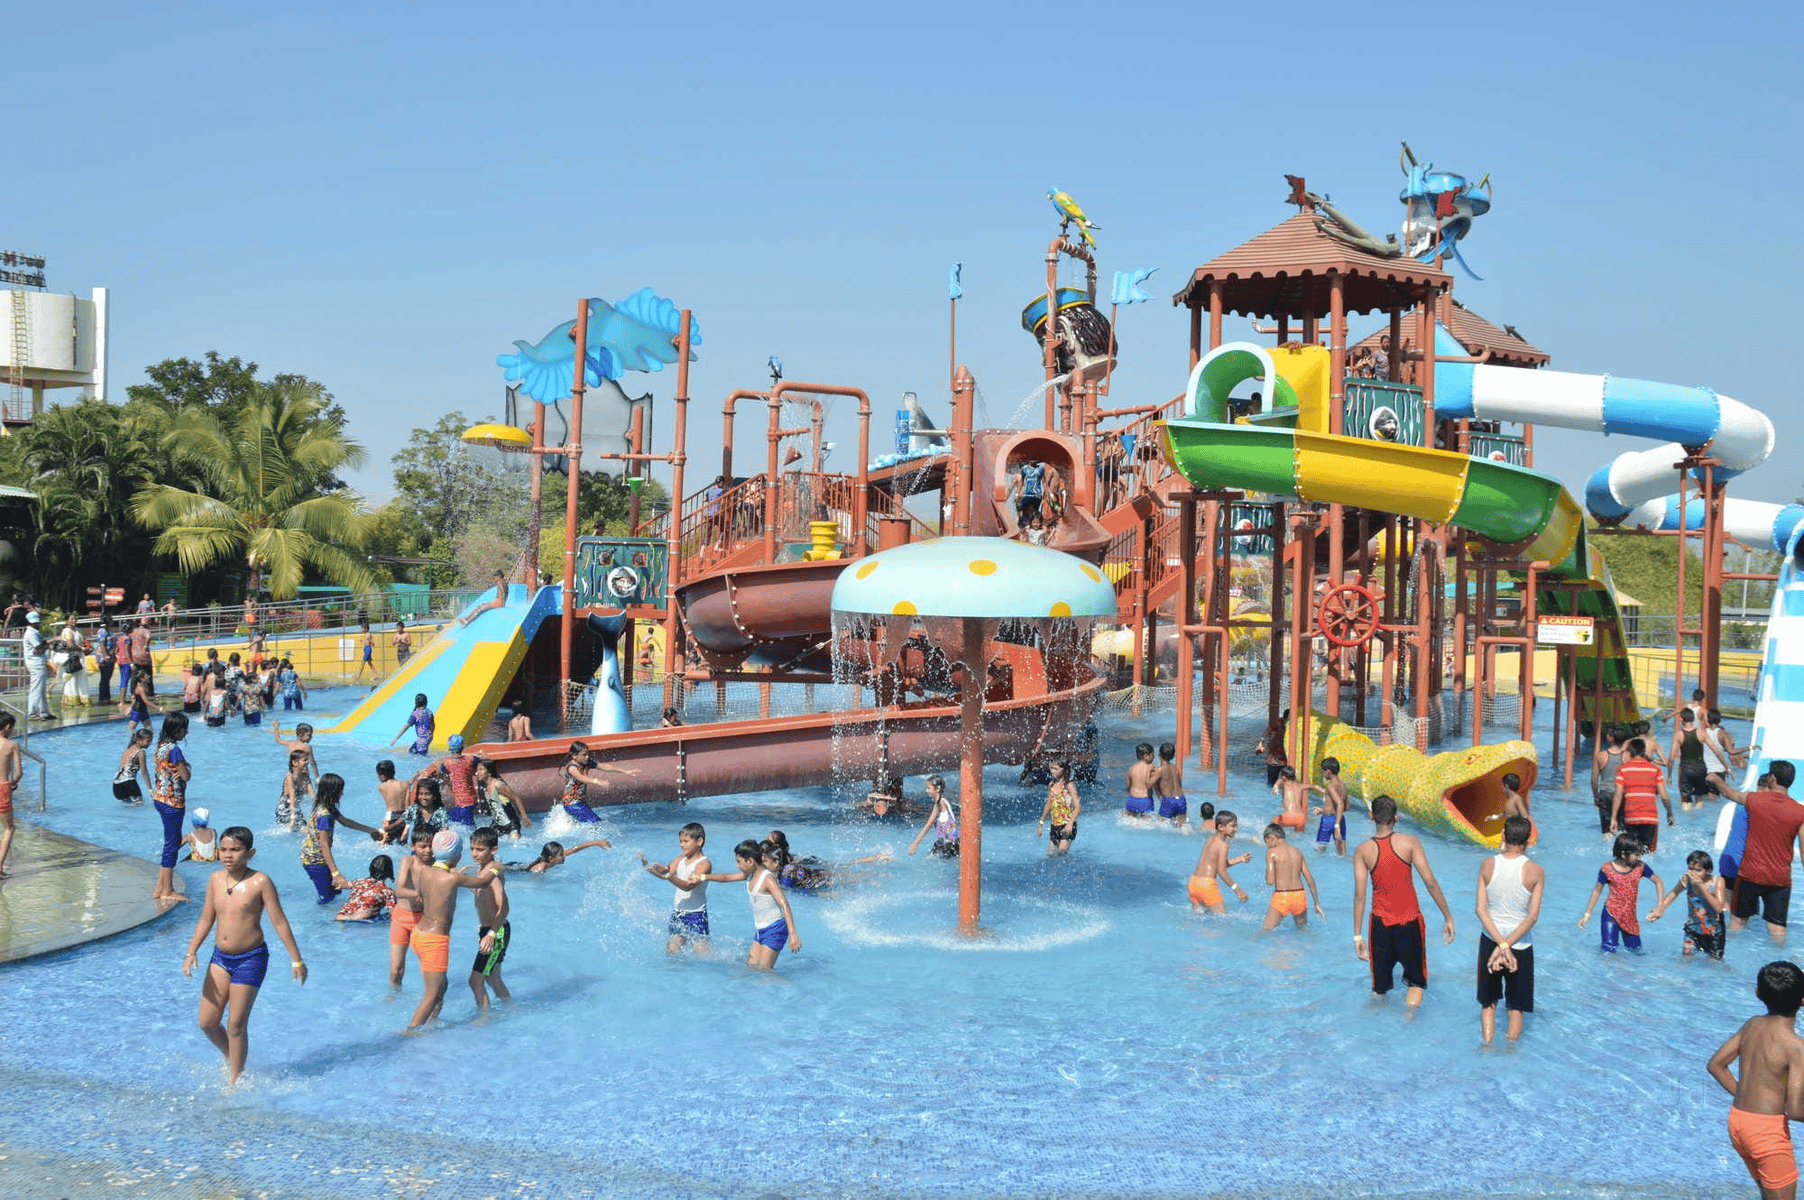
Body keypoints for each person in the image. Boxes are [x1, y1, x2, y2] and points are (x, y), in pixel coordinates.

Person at [180, 826, 306, 1086]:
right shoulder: (215, 879)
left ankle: (235, 1080)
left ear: (250, 853)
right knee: (207, 1022)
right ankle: (233, 1057)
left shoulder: (260, 882)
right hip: (220, 958)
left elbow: (279, 922)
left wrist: (296, 959)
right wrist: (191, 951)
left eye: (235, 850)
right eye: (224, 849)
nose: (228, 855)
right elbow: (206, 919)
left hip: (251, 958)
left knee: (236, 1024)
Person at [1707, 960, 1804, 1199]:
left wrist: (1746, 1095)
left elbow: (1716, 1065)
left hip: (1738, 1123)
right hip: (1768, 1134)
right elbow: (1795, 1110)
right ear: (1803, 999)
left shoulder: (1752, 1025)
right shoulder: (1796, 1047)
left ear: (1758, 993)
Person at [1352, 795, 1457, 1007]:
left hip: (1380, 925)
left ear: (1371, 816)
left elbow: (1360, 896)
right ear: (1396, 817)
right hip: (1410, 922)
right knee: (1416, 983)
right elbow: (1430, 883)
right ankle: (1410, 1020)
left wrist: (1357, 935)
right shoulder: (1410, 843)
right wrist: (1448, 916)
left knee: (1379, 989)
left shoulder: (1362, 851)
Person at [405, 830, 499, 1030]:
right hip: (434, 940)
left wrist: (452, 873)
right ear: (456, 855)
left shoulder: (425, 872)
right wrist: (495, 870)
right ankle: (410, 1032)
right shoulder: (452, 879)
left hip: (419, 935)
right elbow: (483, 883)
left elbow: (428, 889)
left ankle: (432, 1022)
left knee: (441, 986)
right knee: (431, 995)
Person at [1714, 764, 1804, 945]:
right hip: (1780, 879)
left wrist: (1715, 779)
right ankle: (1780, 960)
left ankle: (1728, 958)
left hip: (1750, 874)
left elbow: (1729, 793)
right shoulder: (1800, 812)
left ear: (1773, 778)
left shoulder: (1754, 800)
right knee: (1777, 930)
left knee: (1737, 924)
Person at [1475, 815, 1543, 1045]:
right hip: (1520, 944)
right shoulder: (1535, 871)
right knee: (1515, 1007)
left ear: (1503, 835)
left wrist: (1500, 945)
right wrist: (1507, 946)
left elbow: (1481, 910)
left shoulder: (1487, 864)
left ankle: (1486, 1046)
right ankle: (1511, 1053)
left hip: (1490, 939)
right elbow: (1532, 917)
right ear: (1529, 840)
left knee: (1488, 1002)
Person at [1578, 833, 1663, 953]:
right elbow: (1597, 891)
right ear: (1623, 854)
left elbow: (1658, 881)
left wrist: (1660, 907)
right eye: (1636, 854)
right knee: (1608, 950)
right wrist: (1587, 914)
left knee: (1636, 951)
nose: (1639, 857)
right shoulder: (1607, 869)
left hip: (1629, 916)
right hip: (1610, 913)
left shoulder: (1640, 867)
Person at [640, 821, 710, 954]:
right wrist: (647, 866)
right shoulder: (680, 859)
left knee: (702, 955)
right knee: (672, 952)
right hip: (678, 913)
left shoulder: (703, 864)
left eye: (686, 841)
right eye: (680, 841)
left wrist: (667, 875)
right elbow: (664, 875)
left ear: (699, 841)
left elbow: (688, 886)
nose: (682, 845)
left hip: (696, 915)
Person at [1649, 849, 1730, 960]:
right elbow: (1674, 893)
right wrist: (1660, 908)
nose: (1693, 873)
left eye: (1698, 870)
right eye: (1690, 868)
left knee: (1714, 962)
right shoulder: (1686, 879)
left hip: (1715, 932)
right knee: (1686, 959)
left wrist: (1701, 888)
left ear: (1708, 871)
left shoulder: (1717, 881)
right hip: (1693, 929)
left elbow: (1719, 908)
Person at [466, 827, 511, 1012]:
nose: (474, 854)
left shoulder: (493, 874)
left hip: (496, 932)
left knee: (475, 980)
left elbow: (504, 907)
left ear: (493, 850)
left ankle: (484, 1018)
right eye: (472, 849)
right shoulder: (483, 870)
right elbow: (483, 896)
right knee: (492, 978)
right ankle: (512, 1008)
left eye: (480, 849)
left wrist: (491, 934)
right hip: (491, 931)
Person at [150, 712, 193, 901]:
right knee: (172, 845)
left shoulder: (161, 746)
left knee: (170, 842)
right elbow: (186, 776)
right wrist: (187, 769)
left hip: (160, 799)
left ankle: (159, 888)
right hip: (173, 802)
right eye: (184, 729)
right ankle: (168, 891)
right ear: (176, 731)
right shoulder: (175, 750)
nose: (186, 732)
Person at [389, 827, 435, 988]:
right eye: (423, 846)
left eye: (431, 846)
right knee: (396, 971)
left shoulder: (437, 865)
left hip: (424, 921)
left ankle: (430, 999)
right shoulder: (408, 861)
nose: (428, 850)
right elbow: (399, 890)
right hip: (402, 918)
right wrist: (417, 893)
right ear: (413, 846)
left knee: (427, 971)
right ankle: (395, 997)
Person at [298, 773, 354, 905]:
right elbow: (324, 845)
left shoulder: (326, 806)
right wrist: (335, 873)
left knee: (336, 891)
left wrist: (370, 830)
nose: (342, 794)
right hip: (314, 861)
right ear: (333, 792)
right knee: (327, 899)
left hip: (315, 857)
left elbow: (345, 822)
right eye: (340, 790)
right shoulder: (324, 816)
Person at [1611, 737, 1673, 852]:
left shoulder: (1622, 769)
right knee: (1649, 854)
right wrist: (1670, 813)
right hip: (1650, 818)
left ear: (1630, 752)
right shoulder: (1655, 770)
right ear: (1644, 752)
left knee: (1632, 852)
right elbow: (1664, 796)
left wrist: (1613, 818)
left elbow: (1618, 795)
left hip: (1631, 817)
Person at [1260, 824, 1323, 933]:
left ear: (1271, 838)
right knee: (1303, 931)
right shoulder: (1297, 852)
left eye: (1267, 843)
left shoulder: (1271, 853)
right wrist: (1316, 904)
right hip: (1300, 896)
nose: (1268, 846)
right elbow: (1310, 879)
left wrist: (1267, 871)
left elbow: (1270, 881)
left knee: (1264, 931)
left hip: (1282, 896)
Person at [1188, 810, 1253, 914]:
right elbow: (1221, 871)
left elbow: (1216, 864)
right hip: (1207, 885)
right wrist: (1237, 890)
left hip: (1193, 882)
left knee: (1199, 919)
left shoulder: (1210, 839)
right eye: (1233, 826)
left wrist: (1240, 859)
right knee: (1223, 920)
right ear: (1221, 827)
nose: (1235, 829)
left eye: (1236, 826)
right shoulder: (1223, 845)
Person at [559, 740, 637, 822]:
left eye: (588, 754)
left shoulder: (587, 763)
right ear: (574, 756)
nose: (587, 757)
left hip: (580, 802)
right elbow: (581, 777)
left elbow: (604, 766)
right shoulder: (572, 767)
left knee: (589, 823)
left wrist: (625, 771)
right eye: (584, 755)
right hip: (571, 803)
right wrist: (597, 781)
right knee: (596, 823)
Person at [475, 758, 530, 838]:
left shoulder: (498, 786)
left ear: (489, 771)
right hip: (497, 824)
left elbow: (516, 798)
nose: (477, 773)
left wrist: (524, 817)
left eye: (481, 769)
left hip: (511, 823)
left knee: (514, 840)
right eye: (477, 770)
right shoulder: (484, 786)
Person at [1036, 760, 1081, 855]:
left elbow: (1078, 806)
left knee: (1061, 853)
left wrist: (1070, 824)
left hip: (1067, 824)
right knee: (1050, 855)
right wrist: (1041, 823)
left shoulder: (1069, 786)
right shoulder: (1052, 785)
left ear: (1063, 770)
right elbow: (1048, 805)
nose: (1052, 771)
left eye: (1055, 769)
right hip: (1055, 825)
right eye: (1051, 768)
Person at [907, 775, 958, 858]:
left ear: (937, 789)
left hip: (946, 844)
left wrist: (915, 843)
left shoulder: (939, 804)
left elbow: (928, 825)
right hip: (950, 842)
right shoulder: (944, 801)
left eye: (929, 788)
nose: (926, 791)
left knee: (927, 861)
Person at [1671, 708, 1712, 812]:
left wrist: (1669, 775)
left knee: (1686, 800)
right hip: (1700, 769)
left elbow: (1671, 758)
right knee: (1699, 797)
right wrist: (1726, 766)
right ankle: (1699, 816)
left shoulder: (1678, 735)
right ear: (1693, 719)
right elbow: (1716, 750)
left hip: (1686, 771)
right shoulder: (1701, 733)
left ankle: (1687, 818)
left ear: (1681, 719)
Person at [336, 854, 396, 922]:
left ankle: (344, 917)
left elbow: (341, 884)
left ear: (370, 869)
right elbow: (393, 915)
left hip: (345, 911)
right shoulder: (388, 892)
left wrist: (336, 876)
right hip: (365, 914)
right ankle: (359, 915)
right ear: (389, 872)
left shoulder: (359, 882)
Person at [1592, 725, 1627, 837]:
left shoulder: (1601, 756)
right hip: (1622, 794)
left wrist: (1596, 796)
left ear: (1611, 738)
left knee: (1606, 831)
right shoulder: (1627, 756)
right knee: (1622, 829)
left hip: (1605, 794)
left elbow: (1594, 780)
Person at [438, 734, 479, 826]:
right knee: (459, 821)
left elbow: (441, 770)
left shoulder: (448, 763)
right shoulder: (470, 759)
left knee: (454, 822)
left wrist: (437, 765)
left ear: (450, 748)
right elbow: (479, 760)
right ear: (462, 747)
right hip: (470, 799)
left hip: (462, 802)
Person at [1312, 757, 1349, 856]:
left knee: (1320, 852)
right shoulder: (1343, 785)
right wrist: (1323, 810)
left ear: (1328, 771)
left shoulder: (1331, 786)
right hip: (1341, 819)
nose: (1324, 773)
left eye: (1324, 771)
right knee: (1342, 853)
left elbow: (1340, 803)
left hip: (1328, 821)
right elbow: (1346, 806)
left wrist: (1336, 826)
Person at [1271, 765, 1319, 835]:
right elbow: (1314, 786)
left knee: (1273, 822)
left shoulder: (1285, 783)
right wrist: (1325, 791)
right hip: (1301, 818)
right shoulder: (1300, 785)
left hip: (1288, 818)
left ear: (1284, 777)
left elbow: (1279, 781)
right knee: (1298, 836)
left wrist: (1275, 787)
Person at [22, 610, 51, 720]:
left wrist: (46, 645)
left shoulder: (35, 632)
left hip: (39, 662)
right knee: (36, 688)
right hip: (35, 663)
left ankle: (43, 712)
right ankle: (32, 713)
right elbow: (39, 649)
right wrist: (50, 642)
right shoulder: (31, 633)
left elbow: (42, 646)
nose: (37, 624)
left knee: (41, 688)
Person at [276, 749, 314, 831]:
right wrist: (293, 818)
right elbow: (292, 797)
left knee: (308, 830)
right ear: (295, 763)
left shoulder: (305, 777)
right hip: (285, 809)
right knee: (296, 830)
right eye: (304, 760)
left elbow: (312, 795)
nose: (307, 762)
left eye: (307, 760)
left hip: (296, 808)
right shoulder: (290, 777)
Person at [522, 838, 611, 873]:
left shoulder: (552, 859)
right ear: (551, 858)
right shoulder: (540, 868)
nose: (564, 855)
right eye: (561, 854)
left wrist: (596, 842)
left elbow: (574, 849)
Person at [56, 614, 88, 707]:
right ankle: (71, 701)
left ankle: (79, 699)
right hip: (71, 659)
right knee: (71, 680)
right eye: (72, 619)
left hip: (79, 657)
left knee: (79, 679)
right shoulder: (67, 631)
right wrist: (83, 649)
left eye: (75, 619)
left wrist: (87, 648)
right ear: (67, 621)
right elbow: (70, 645)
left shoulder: (76, 631)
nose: (74, 620)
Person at [1152, 741, 1187, 828]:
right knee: (1183, 827)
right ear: (1173, 755)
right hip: (1181, 799)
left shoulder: (1159, 770)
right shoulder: (1175, 768)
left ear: (1159, 754)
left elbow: (1149, 784)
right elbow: (1179, 785)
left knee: (1161, 827)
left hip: (1169, 801)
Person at [114, 725, 152, 804]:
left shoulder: (127, 750)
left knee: (128, 807)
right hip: (129, 783)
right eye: (148, 741)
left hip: (116, 785)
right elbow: (144, 772)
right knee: (140, 806)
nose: (150, 744)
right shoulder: (140, 752)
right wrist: (150, 790)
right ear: (138, 740)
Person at [1254, 709, 1289, 787]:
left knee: (1287, 782)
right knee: (1271, 782)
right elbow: (1267, 731)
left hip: (1285, 758)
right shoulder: (1279, 722)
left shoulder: (1294, 725)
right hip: (1274, 757)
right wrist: (1261, 743)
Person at [1124, 741, 1157, 819]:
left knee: (1131, 821)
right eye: (1152, 755)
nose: (1154, 757)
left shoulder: (1131, 769)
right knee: (1146, 822)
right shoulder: (1151, 768)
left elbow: (1127, 786)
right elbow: (1155, 785)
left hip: (1132, 800)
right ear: (1146, 756)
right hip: (1145, 800)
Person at [0, 714, 16, 877]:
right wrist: (13, 783)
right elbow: (19, 772)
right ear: (7, 727)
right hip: (3, 787)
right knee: (9, 828)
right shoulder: (12, 745)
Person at [128, 617, 154, 697]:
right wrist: (146, 645)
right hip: (144, 655)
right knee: (148, 673)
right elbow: (148, 637)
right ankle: (150, 692)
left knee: (134, 675)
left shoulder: (134, 631)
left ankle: (133, 692)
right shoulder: (146, 631)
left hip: (134, 655)